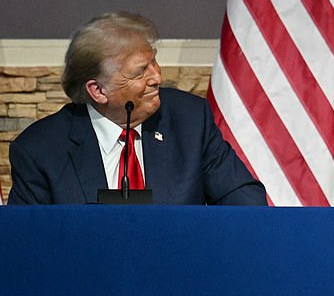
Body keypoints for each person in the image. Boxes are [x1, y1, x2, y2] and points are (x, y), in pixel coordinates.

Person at [8, 12, 267, 205]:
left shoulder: (189, 120)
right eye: (140, 72)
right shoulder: (40, 150)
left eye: (153, 61)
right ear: (97, 91)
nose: (157, 77)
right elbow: (31, 245)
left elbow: (245, 201)